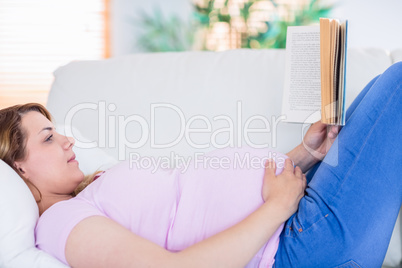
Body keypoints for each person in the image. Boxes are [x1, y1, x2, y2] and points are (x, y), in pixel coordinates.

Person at [0, 62, 401, 268]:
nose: (67, 139)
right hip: (301, 248)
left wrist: (307, 154)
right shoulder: (58, 224)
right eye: (49, 137)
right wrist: (278, 207)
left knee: (380, 84)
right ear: (18, 168)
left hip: (299, 222)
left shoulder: (86, 194)